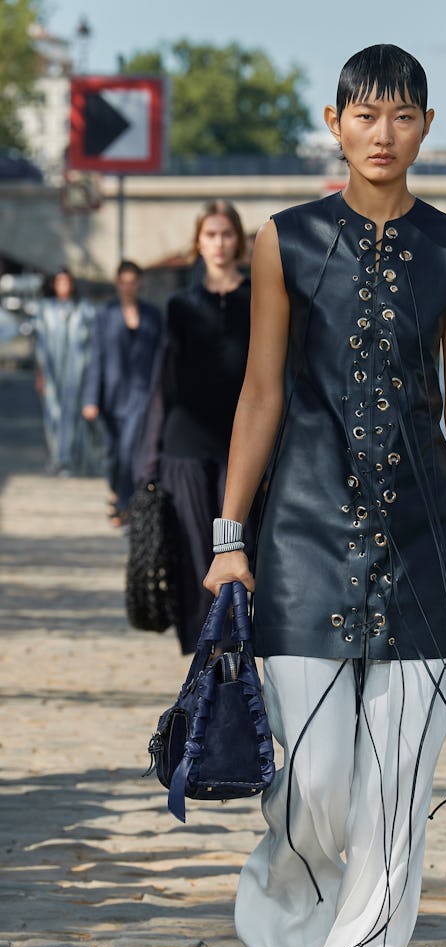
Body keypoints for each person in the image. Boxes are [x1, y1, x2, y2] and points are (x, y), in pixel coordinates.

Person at [204, 44, 446, 947]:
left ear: (425, 127)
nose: (383, 132)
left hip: (422, 553)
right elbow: (260, 393)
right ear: (335, 121)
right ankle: (281, 916)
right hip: (301, 544)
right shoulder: (284, 242)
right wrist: (229, 540)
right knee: (316, 790)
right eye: (366, 114)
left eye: (402, 116)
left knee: (396, 800)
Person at [136, 200, 254, 654]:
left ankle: (233, 649)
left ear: (238, 241)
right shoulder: (179, 305)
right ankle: (204, 656)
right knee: (191, 553)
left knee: (237, 548)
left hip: (241, 448)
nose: (219, 243)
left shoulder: (259, 299)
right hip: (184, 447)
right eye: (211, 235)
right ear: (197, 243)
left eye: (226, 234)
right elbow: (162, 385)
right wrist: (149, 462)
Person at [82, 260, 163, 526]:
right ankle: (117, 490)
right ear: (117, 283)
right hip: (111, 396)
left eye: (133, 281)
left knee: (129, 449)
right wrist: (91, 398)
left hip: (141, 395)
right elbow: (96, 357)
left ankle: (124, 504)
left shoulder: (153, 315)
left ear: (139, 283)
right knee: (113, 453)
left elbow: (162, 356)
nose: (128, 287)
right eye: (124, 282)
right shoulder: (105, 313)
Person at [34, 269, 101, 476]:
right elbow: (40, 345)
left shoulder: (84, 309)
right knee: (53, 414)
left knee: (75, 416)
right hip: (53, 372)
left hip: (77, 373)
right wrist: (40, 375)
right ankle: (57, 458)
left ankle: (73, 460)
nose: (64, 286)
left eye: (67, 282)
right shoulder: (45, 309)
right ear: (54, 285)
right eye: (60, 282)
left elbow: (92, 343)